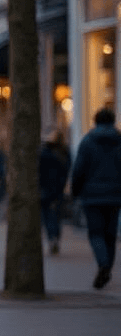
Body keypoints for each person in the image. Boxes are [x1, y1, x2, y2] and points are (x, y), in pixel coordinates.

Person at [69, 107, 121, 289]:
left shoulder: (88, 142)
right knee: (110, 235)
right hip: (115, 196)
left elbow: (79, 170)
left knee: (96, 233)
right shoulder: (119, 141)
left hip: (92, 196)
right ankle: (107, 265)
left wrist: (75, 192)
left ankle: (103, 263)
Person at [38, 130, 71, 255]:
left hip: (46, 190)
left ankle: (52, 237)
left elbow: (39, 172)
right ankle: (55, 237)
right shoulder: (64, 152)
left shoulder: (44, 153)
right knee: (56, 216)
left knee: (47, 216)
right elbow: (67, 169)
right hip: (58, 189)